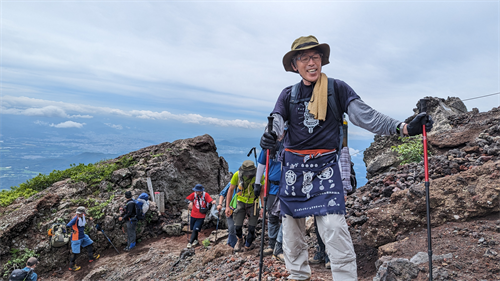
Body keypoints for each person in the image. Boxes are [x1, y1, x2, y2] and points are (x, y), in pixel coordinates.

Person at [260, 35, 434, 281]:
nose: (312, 63)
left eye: (316, 57)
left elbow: (366, 116)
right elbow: (276, 121)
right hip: (293, 169)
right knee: (291, 229)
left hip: (325, 168)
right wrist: (269, 136)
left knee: (333, 227)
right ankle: (298, 275)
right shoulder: (288, 95)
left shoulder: (337, 89)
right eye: (305, 58)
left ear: (322, 60)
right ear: (294, 66)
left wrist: (403, 127)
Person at [225, 160, 265, 252]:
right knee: (237, 227)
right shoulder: (237, 175)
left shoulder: (259, 176)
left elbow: (262, 191)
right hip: (240, 201)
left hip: (254, 203)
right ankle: (240, 240)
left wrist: (263, 207)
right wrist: (227, 206)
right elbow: (230, 190)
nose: (248, 175)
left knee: (252, 228)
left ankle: (248, 245)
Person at [254, 140, 283, 256]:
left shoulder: (290, 143)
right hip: (272, 186)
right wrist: (257, 183)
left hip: (286, 186)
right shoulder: (269, 145)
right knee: (272, 216)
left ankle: (279, 244)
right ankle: (272, 244)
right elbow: (261, 164)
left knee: (284, 217)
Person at [67, 206, 100, 271]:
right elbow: (67, 226)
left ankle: (91, 257)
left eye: (80, 213)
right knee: (75, 252)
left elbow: (85, 216)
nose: (78, 214)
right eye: (78, 213)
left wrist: (89, 218)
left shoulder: (83, 215)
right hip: (76, 238)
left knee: (89, 243)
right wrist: (72, 231)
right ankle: (71, 266)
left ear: (83, 213)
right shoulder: (75, 219)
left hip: (82, 235)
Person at [186, 184, 214, 248]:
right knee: (194, 229)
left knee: (195, 229)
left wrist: (213, 202)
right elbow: (187, 199)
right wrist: (189, 202)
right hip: (193, 215)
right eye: (196, 190)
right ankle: (196, 241)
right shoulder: (194, 194)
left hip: (201, 216)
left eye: (198, 191)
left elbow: (210, 200)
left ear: (201, 191)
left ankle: (190, 243)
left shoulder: (205, 195)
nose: (197, 192)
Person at [217, 181, 238, 248]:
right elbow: (222, 194)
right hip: (229, 209)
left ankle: (229, 243)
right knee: (232, 228)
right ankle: (232, 246)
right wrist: (220, 204)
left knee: (235, 228)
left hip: (240, 210)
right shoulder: (231, 183)